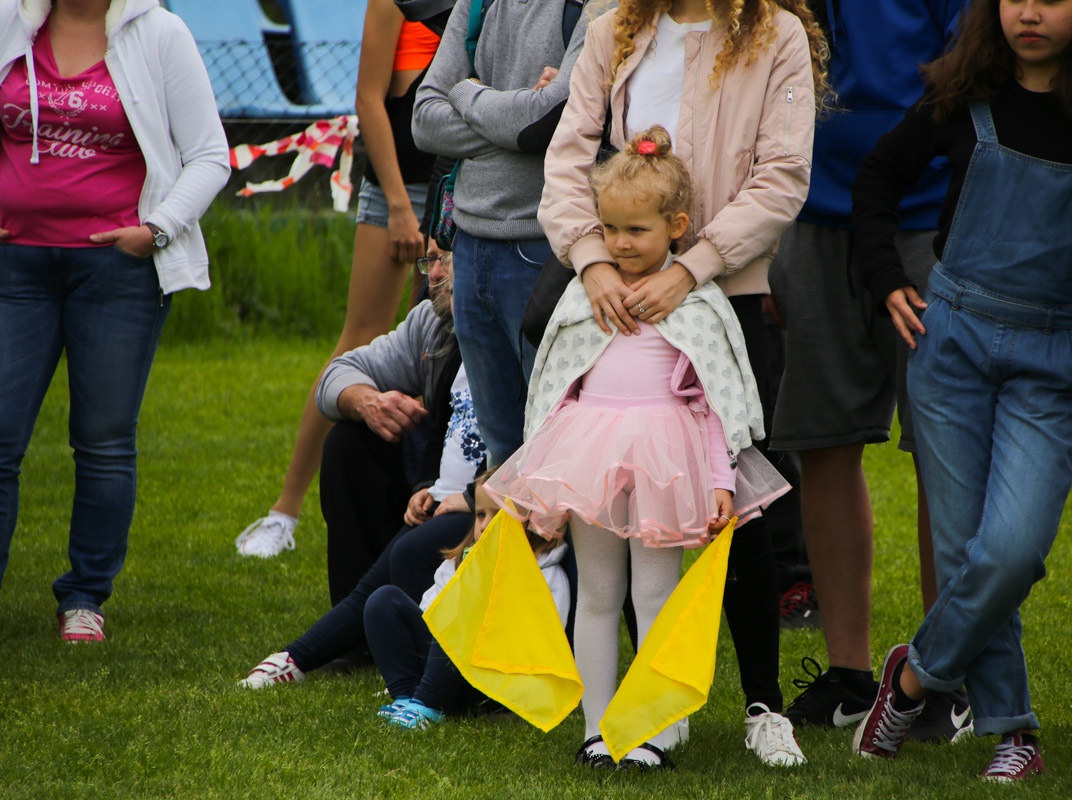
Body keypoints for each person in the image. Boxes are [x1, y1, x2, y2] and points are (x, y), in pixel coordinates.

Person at [537, 0, 826, 768]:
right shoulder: (614, 29)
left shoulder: (775, 34)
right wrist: (593, 260)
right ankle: (638, 711)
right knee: (624, 513)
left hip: (724, 290)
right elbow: (567, 159)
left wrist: (692, 267)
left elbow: (782, 175)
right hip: (618, 288)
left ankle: (764, 706)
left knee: (742, 512)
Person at [848, 0, 1072, 780]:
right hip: (953, 347)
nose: (1029, 12)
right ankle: (1014, 732)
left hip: (1057, 356)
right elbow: (877, 178)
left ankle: (910, 678)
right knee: (964, 548)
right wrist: (885, 277)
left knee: (1010, 552)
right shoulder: (959, 95)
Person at [492, 127, 792, 770]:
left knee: (656, 597)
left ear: (676, 227)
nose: (621, 244)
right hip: (590, 462)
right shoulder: (585, 296)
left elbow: (712, 404)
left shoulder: (699, 305)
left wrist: (721, 482)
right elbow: (560, 387)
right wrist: (538, 480)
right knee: (599, 595)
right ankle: (598, 728)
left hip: (667, 467)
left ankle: (656, 727)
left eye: (636, 230)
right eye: (609, 230)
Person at [772, 0, 972, 742]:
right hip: (809, 211)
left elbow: (966, 71)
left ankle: (942, 674)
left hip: (925, 215)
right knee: (822, 440)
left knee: (943, 453)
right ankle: (850, 674)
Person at [0, 0, 229, 642]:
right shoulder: (9, 20)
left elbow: (210, 155)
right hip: (13, 265)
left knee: (102, 439)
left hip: (118, 272)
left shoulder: (160, 32)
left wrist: (157, 229)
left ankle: (84, 597)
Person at [236, 0, 442, 558]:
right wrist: (398, 206)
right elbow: (369, 101)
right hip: (398, 187)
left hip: (460, 184)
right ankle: (284, 511)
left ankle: (425, 506)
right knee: (358, 342)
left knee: (441, 351)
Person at [238, 249, 488, 685]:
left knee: (407, 556)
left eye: (447, 260)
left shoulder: (508, 341)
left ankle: (304, 656)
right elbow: (440, 426)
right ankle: (330, 650)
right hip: (445, 497)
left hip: (488, 500)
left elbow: (523, 437)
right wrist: (372, 407)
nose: (435, 275)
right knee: (348, 446)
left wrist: (471, 497)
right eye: (429, 260)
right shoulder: (437, 326)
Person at [410, 0, 596, 466]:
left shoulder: (594, 5)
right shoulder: (477, 2)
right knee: (502, 456)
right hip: (468, 249)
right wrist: (514, 122)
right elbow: (424, 120)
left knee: (556, 448)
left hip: (546, 249)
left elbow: (548, 119)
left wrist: (467, 92)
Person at [368, 469, 570, 729]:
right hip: (447, 671)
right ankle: (407, 697)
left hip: (495, 682)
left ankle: (428, 705)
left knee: (465, 608)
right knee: (383, 600)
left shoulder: (545, 575)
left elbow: (543, 646)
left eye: (499, 515)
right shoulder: (462, 562)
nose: (485, 525)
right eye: (480, 515)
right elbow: (431, 614)